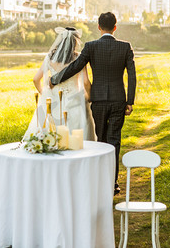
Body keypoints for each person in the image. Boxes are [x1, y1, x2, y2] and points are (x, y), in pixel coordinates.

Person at [50, 12, 137, 195]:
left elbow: (74, 67)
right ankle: (113, 183)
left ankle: (100, 181)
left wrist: (56, 79)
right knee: (115, 141)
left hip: (98, 101)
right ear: (115, 27)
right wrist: (130, 101)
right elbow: (132, 75)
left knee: (101, 140)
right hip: (118, 100)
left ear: (99, 27)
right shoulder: (125, 47)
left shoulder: (91, 47)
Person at [24, 27, 96, 142]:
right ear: (75, 42)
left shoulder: (50, 57)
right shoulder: (78, 57)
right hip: (75, 100)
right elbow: (86, 82)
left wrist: (45, 94)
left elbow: (36, 79)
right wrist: (88, 97)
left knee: (53, 134)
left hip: (54, 100)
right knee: (77, 138)